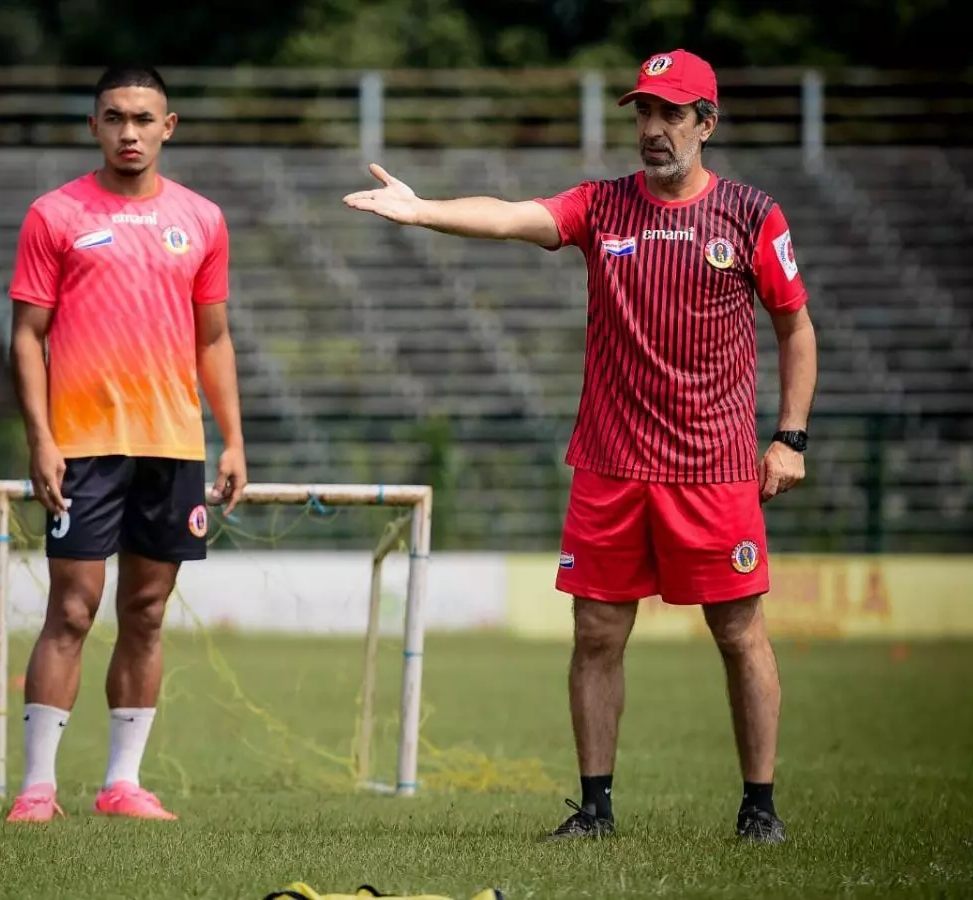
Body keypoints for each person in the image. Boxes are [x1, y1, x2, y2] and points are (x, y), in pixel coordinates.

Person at [343, 49, 816, 844]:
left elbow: (795, 327)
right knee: (596, 634)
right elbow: (511, 214)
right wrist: (424, 211)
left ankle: (758, 807)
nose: (654, 129)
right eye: (644, 113)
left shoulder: (752, 215)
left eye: (671, 114)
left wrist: (790, 438)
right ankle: (594, 808)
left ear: (707, 122)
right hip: (611, 461)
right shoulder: (602, 207)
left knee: (739, 634)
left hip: (714, 466)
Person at [3, 65, 247, 824]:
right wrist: (41, 440)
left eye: (144, 118)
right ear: (94, 126)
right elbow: (26, 338)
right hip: (83, 444)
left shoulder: (202, 218)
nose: (130, 132)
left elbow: (213, 339)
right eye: (115, 118)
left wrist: (233, 439)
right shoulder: (55, 214)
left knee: (146, 612)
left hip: (172, 446)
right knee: (72, 610)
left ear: (168, 127)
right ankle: (38, 788)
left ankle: (122, 784)